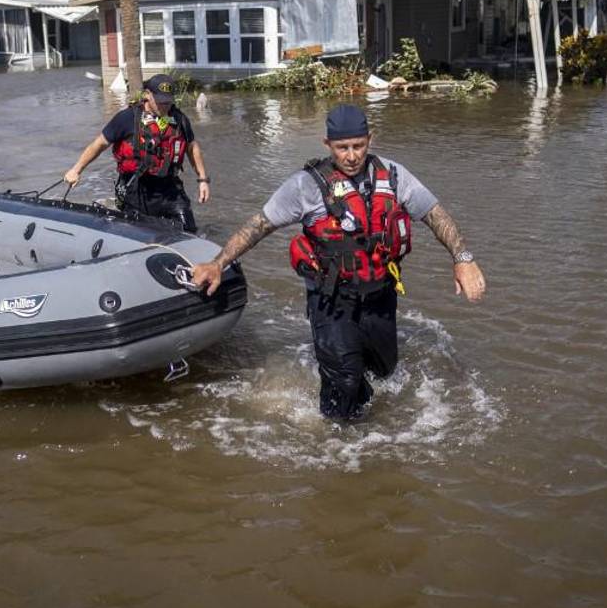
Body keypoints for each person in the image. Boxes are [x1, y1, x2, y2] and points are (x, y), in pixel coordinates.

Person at [192, 104, 486, 420]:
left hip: (379, 295)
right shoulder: (305, 185)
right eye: (342, 148)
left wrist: (463, 258)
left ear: (370, 140)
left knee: (384, 370)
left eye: (358, 146)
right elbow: (259, 225)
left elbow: (434, 213)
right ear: (327, 145)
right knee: (345, 380)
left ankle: (367, 418)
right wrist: (218, 263)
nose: (351, 156)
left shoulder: (394, 175)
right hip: (331, 300)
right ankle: (339, 446)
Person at [64, 74, 210, 232]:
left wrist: (203, 179)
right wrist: (76, 170)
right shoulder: (127, 118)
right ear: (147, 95)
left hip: (169, 189)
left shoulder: (179, 119)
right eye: (160, 102)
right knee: (140, 235)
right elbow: (99, 144)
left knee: (189, 231)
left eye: (168, 102)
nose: (165, 106)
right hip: (136, 189)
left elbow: (191, 147)